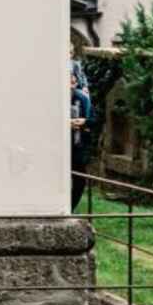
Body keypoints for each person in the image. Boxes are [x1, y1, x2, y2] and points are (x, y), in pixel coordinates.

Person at [70, 70, 92, 211]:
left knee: (80, 180)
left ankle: (70, 208)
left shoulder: (82, 98)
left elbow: (93, 119)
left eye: (74, 83)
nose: (71, 86)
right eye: (69, 83)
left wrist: (84, 122)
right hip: (59, 148)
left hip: (78, 145)